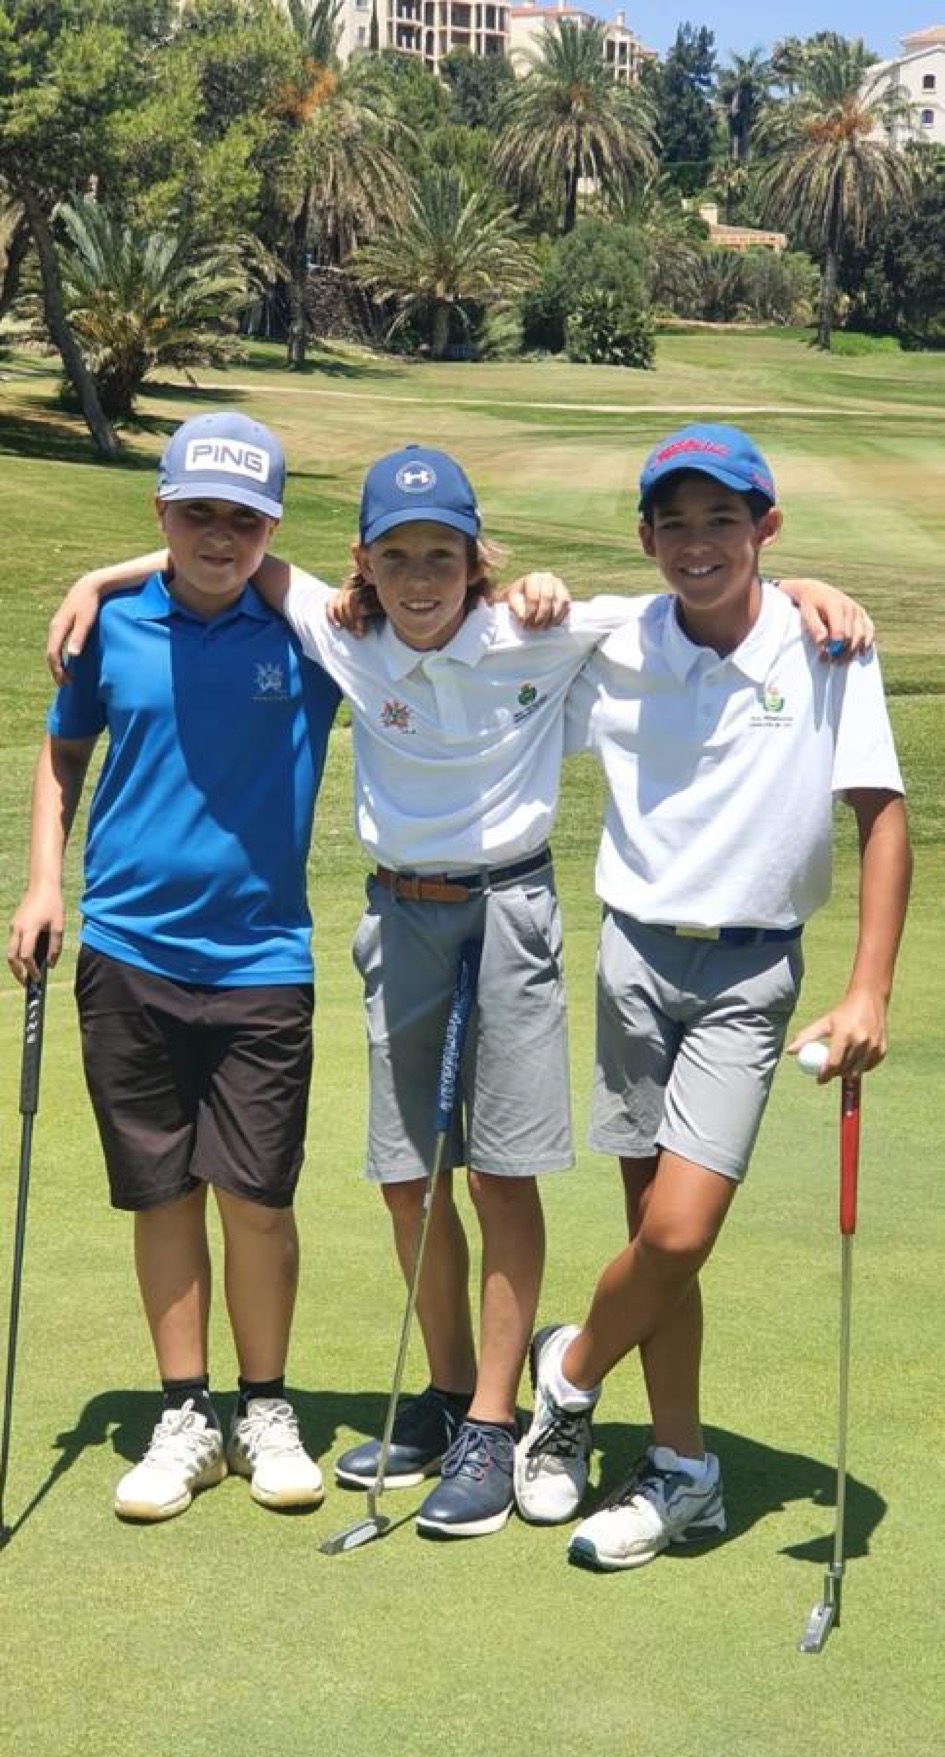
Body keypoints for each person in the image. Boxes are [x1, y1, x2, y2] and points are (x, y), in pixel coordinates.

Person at [40, 439, 871, 1543]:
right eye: (396, 556)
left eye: (443, 554)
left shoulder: (543, 628)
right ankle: (442, 1395)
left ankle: (493, 1419)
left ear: (479, 560)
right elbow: (227, 555)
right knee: (409, 1182)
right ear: (362, 564)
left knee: (501, 1176)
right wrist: (102, 576)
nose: (420, 577)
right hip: (399, 916)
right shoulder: (340, 630)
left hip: (511, 911)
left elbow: (699, 596)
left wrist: (803, 586)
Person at [512, 423, 912, 1571]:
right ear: (646, 537)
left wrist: (869, 988)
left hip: (749, 972)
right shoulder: (613, 636)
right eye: (674, 523)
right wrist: (535, 590)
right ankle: (682, 1465)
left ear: (764, 528)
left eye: (722, 520)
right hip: (633, 957)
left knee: (681, 1230)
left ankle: (569, 1371)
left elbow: (882, 816)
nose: (698, 543)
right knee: (656, 1238)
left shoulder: (825, 645)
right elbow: (463, 617)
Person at [7, 412, 341, 1523]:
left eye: (244, 519)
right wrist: (43, 884)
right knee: (163, 1193)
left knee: (257, 1196)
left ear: (273, 529)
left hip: (262, 959)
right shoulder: (111, 629)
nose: (219, 536)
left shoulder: (308, 634)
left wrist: (106, 564)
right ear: (162, 511)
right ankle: (186, 1411)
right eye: (197, 513)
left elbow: (414, 596)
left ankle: (266, 1407)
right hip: (128, 952)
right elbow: (64, 753)